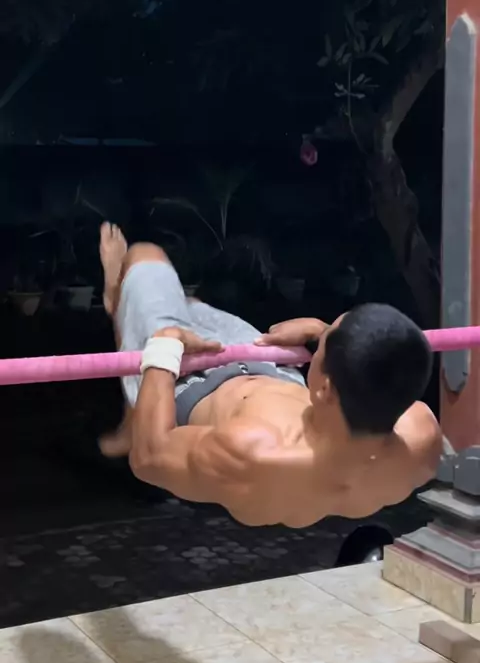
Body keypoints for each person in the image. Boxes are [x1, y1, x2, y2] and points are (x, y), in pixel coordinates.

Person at [99, 222, 442, 528]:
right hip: (262, 359)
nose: (321, 337)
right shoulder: (419, 435)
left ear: (325, 388)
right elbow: (380, 362)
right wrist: (319, 331)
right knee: (186, 304)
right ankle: (136, 311)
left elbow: (149, 458)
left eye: (324, 346)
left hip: (186, 379)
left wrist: (164, 346)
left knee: (145, 256)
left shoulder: (255, 455)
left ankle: (119, 310)